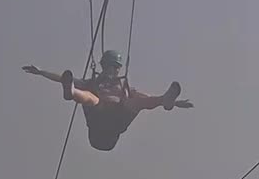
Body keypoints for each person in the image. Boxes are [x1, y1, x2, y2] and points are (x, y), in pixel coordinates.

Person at [22, 50, 192, 151]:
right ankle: (71, 92)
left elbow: (146, 99)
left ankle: (165, 100)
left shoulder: (124, 87)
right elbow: (61, 78)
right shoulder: (92, 82)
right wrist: (41, 72)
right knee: (91, 98)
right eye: (108, 67)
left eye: (114, 68)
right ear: (102, 67)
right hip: (97, 127)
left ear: (118, 69)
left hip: (114, 128)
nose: (110, 71)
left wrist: (172, 103)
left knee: (135, 102)